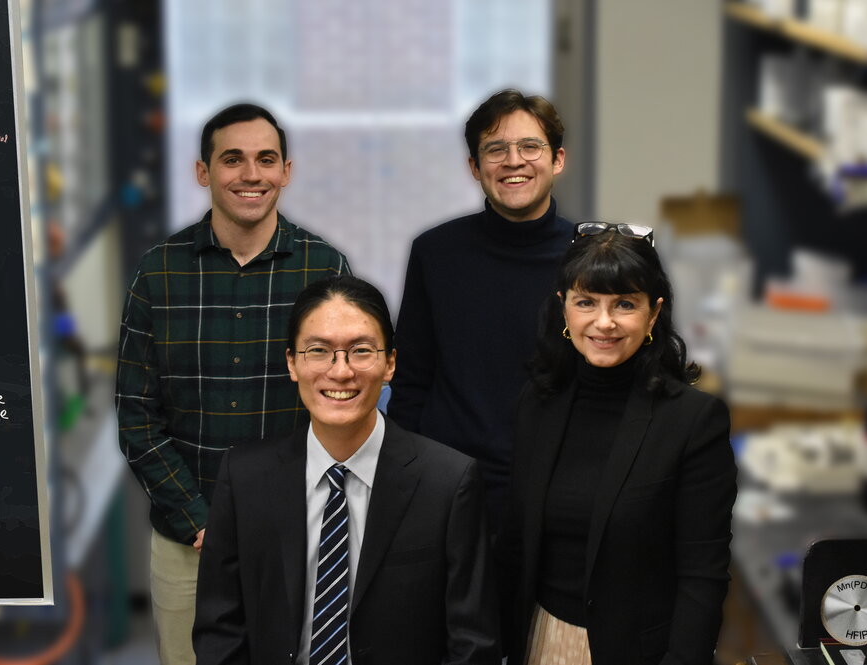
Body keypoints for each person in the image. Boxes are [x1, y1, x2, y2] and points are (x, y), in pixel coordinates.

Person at [116, 103, 350, 665]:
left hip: (300, 535)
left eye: (266, 160)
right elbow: (136, 416)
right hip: (187, 540)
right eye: (233, 160)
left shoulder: (325, 271)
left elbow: (345, 400)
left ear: (286, 172)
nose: (251, 175)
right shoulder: (159, 272)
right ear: (204, 173)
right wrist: (201, 521)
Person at [193, 275, 500, 664]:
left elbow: (473, 644)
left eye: (360, 351)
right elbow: (219, 629)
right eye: (319, 350)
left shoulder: (448, 482)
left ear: (390, 363)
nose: (340, 372)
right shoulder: (244, 477)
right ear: (292, 363)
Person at [499, 223, 737, 665]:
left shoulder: (693, 420)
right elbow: (516, 542)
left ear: (653, 313)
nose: (603, 322)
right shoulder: (538, 402)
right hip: (540, 638)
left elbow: (701, 575)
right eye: (586, 302)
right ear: (563, 308)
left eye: (624, 304)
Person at [388, 89, 572, 530]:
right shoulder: (436, 253)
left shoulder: (590, 259)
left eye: (530, 146)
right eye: (496, 149)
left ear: (557, 160)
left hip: (560, 490)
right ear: (475, 167)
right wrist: (407, 478)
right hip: (451, 489)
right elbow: (411, 382)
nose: (514, 161)